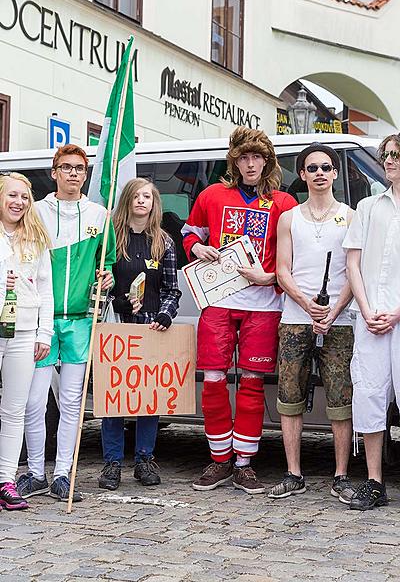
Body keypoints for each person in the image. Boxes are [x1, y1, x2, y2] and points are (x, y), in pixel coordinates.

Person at [182, 126, 297, 494]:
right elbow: (189, 233)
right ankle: (219, 460)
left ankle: (244, 463)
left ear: (267, 161)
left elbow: (293, 257)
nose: (250, 164)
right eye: (244, 158)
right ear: (235, 161)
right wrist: (196, 249)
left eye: (257, 157)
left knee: (251, 383)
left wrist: (270, 278)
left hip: (263, 304)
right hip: (217, 301)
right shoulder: (213, 195)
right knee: (214, 381)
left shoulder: (284, 203)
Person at [17, 145, 116, 502]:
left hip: (79, 321)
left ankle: (62, 473)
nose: (73, 174)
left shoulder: (99, 215)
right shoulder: (36, 212)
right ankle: (34, 471)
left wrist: (108, 278)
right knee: (34, 400)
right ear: (55, 172)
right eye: (66, 168)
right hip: (41, 321)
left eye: (79, 169)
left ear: (86, 175)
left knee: (73, 402)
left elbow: (110, 266)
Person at [268, 143, 354, 504]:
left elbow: (355, 270)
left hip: (341, 319)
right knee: (289, 396)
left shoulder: (350, 216)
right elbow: (281, 270)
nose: (319, 173)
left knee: (340, 397)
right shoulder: (290, 217)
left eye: (326, 167)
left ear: (335, 173)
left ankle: (341, 476)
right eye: (312, 167)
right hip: (295, 319)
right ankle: (293, 473)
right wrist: (305, 303)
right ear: (302, 174)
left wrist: (333, 310)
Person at [98, 178, 181, 491]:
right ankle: (112, 462)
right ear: (128, 201)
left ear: (154, 202)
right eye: (136, 196)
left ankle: (145, 459)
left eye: (147, 196)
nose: (142, 201)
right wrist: (118, 300)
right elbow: (102, 286)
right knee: (115, 397)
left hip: (152, 328)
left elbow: (172, 290)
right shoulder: (112, 240)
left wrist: (165, 314)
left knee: (149, 397)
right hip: (117, 327)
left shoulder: (164, 242)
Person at [343, 133, 400, 511]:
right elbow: (352, 263)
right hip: (371, 318)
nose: (390, 160)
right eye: (386, 155)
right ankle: (374, 482)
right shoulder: (367, 207)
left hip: (397, 315)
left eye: (396, 154)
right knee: (369, 396)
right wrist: (365, 310)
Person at [0, 172, 53, 510]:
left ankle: (6, 479)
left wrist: (43, 332)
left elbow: (45, 290)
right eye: (12, 195)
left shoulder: (35, 237)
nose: (18, 202)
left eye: (24, 197)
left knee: (14, 410)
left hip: (23, 333)